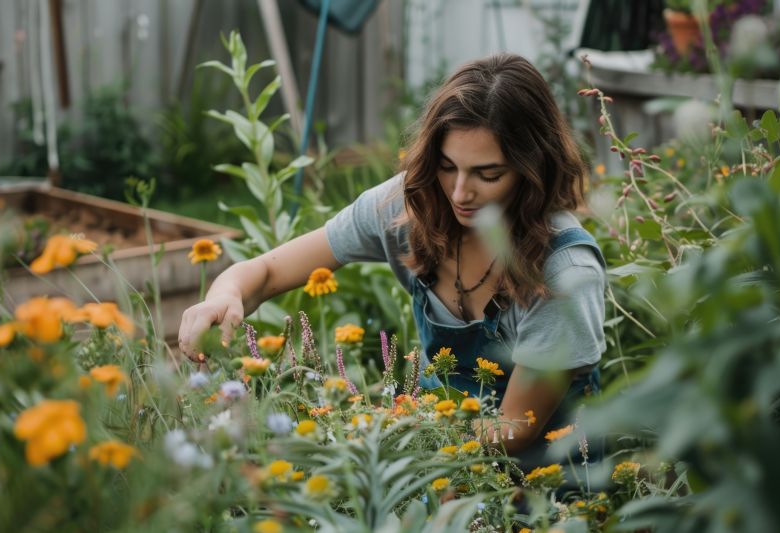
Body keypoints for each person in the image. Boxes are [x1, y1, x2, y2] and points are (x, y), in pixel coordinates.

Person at [178, 53, 606, 469]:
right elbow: (267, 272)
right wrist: (223, 297)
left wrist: (383, 441)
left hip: (551, 482)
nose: (459, 193)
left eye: (487, 174)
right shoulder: (406, 210)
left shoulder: (563, 274)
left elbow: (514, 430)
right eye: (446, 166)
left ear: (534, 170)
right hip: (432, 444)